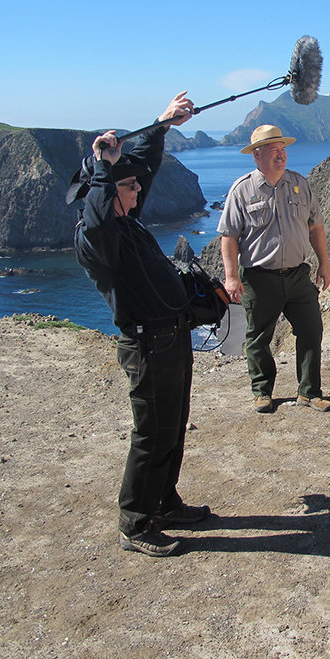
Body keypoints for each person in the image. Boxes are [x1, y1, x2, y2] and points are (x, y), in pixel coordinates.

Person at [70, 91, 210, 558]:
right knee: (151, 433)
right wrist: (103, 171)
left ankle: (164, 502)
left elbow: (143, 171)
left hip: (171, 338)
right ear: (110, 193)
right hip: (147, 346)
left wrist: (160, 126)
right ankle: (135, 521)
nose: (139, 191)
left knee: (173, 425)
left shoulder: (127, 220)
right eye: (128, 187)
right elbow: (94, 220)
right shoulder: (99, 239)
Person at [218, 124, 330, 414]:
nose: (281, 155)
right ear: (257, 156)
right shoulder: (241, 190)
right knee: (259, 338)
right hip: (259, 279)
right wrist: (231, 277)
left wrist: (324, 263)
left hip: (297, 275)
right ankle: (262, 392)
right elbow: (229, 237)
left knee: (311, 330)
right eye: (274, 150)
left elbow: (315, 226)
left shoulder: (300, 184)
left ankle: (309, 392)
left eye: (283, 149)